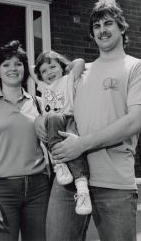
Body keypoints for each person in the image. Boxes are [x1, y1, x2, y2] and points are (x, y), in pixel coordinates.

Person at [41, 2, 141, 241]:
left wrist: (81, 144)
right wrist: (41, 126)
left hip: (114, 183)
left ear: (122, 28)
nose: (102, 30)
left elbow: (135, 122)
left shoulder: (138, 68)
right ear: (92, 33)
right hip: (69, 181)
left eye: (108, 23)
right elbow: (57, 110)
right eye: (97, 25)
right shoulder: (79, 72)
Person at [0, 40, 50, 241]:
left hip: (39, 189)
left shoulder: (39, 103)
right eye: (6, 64)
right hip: (2, 190)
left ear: (25, 69)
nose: (13, 68)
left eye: (18, 63)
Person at [31, 51, 92, 215]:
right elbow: (32, 69)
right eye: (44, 71)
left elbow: (80, 61)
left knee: (72, 145)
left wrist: (64, 66)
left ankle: (82, 188)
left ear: (62, 68)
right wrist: (44, 64)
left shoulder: (68, 79)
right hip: (53, 122)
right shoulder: (43, 87)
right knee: (51, 117)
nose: (49, 72)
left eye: (52, 67)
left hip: (70, 119)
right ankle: (60, 165)